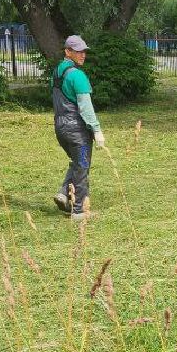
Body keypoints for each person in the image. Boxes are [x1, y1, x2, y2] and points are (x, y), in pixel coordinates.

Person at [51, 34, 105, 219]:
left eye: (84, 51)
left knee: (76, 162)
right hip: (77, 132)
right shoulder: (78, 76)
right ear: (68, 51)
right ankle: (80, 210)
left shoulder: (58, 72)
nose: (82, 55)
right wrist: (96, 130)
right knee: (82, 165)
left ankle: (63, 192)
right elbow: (86, 107)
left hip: (60, 128)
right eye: (78, 51)